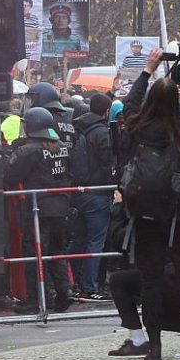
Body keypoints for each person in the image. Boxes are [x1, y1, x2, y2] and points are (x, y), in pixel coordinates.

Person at [122, 47, 180, 360]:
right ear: (176, 104)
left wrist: (148, 70)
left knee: (151, 281)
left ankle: (155, 347)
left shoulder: (135, 127)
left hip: (146, 215)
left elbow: (129, 104)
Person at [5, 107, 75, 315]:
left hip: (38, 209)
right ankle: (64, 292)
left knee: (34, 254)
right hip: (61, 207)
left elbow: (10, 177)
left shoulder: (28, 150)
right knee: (57, 251)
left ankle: (37, 299)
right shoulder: (62, 147)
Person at [70, 93, 116, 300]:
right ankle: (89, 287)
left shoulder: (78, 128)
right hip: (98, 191)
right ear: (106, 112)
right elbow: (107, 161)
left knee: (78, 239)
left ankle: (74, 282)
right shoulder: (102, 132)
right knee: (96, 241)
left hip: (79, 190)